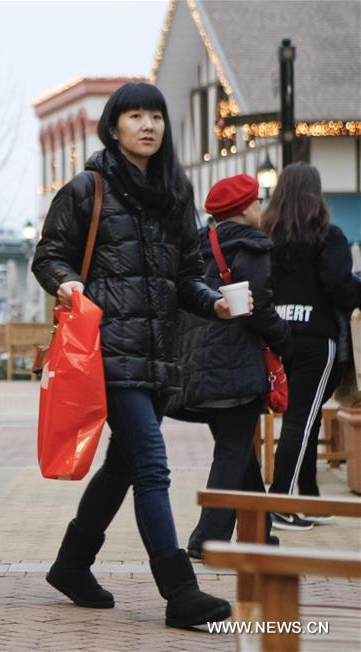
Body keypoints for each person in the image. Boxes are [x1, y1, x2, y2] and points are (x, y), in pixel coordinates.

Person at [32, 82, 238, 629]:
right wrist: (69, 283)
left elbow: (188, 275)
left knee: (124, 466)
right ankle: (180, 593)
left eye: (156, 116)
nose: (148, 125)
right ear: (114, 126)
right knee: (151, 464)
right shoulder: (89, 187)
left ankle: (72, 565)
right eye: (135, 116)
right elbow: (49, 254)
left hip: (160, 356)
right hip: (107, 350)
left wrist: (214, 303)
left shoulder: (175, 192)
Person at [175, 174, 291, 560]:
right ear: (244, 209)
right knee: (232, 451)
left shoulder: (198, 245)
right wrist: (284, 341)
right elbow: (259, 305)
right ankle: (207, 539)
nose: (261, 209)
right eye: (257, 202)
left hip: (199, 365)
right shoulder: (252, 245)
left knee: (241, 454)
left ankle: (259, 536)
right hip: (237, 364)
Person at [262, 162, 357, 530]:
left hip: (277, 338)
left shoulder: (267, 236)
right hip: (317, 340)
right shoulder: (328, 237)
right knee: (301, 420)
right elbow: (339, 286)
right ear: (315, 195)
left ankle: (308, 494)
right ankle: (280, 502)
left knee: (304, 416)